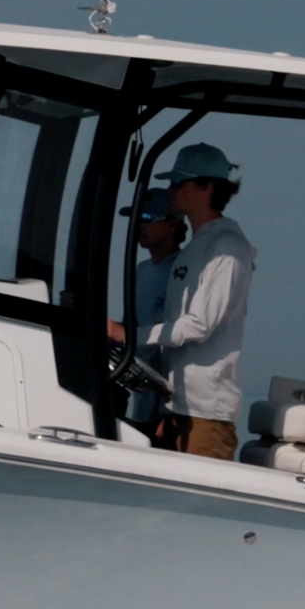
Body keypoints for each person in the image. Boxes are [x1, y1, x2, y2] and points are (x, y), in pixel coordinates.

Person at [138, 143, 256, 460]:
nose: (171, 189)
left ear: (206, 187)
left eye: (179, 183)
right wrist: (168, 409)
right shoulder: (197, 246)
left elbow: (199, 325)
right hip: (180, 408)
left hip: (206, 415)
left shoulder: (228, 247)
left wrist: (126, 335)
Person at [123, 185, 184, 436]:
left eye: (147, 219)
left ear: (172, 225)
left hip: (166, 409)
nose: (139, 226)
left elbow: (184, 339)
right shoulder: (141, 270)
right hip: (141, 405)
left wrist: (169, 412)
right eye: (136, 218)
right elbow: (129, 333)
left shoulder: (183, 270)